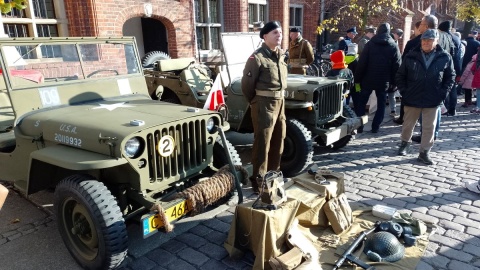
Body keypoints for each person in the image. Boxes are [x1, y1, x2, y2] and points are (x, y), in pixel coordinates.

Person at [396, 29, 455, 165]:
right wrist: (405, 91)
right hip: (412, 97)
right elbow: (400, 75)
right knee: (408, 125)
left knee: (429, 127)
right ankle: (405, 144)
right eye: (424, 40)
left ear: (436, 41)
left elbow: (450, 77)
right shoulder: (411, 55)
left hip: (433, 98)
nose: (426, 43)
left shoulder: (444, 56)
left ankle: (424, 152)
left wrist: (442, 93)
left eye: (429, 40)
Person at [241, 21, 287, 193]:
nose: (279, 35)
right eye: (275, 32)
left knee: (278, 141)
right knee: (263, 144)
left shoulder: (281, 55)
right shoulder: (257, 57)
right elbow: (247, 86)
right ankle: (258, 181)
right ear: (265, 36)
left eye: (280, 32)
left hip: (280, 103)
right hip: (263, 104)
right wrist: (255, 102)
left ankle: (273, 176)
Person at [354, 23, 401, 133]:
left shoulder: (370, 44)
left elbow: (362, 63)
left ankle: (360, 125)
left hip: (368, 79)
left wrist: (357, 79)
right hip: (384, 80)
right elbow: (397, 66)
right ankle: (375, 127)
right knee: (381, 105)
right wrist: (394, 83)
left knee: (362, 103)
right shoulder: (393, 45)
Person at [438, 20, 461, 116]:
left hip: (443, 65)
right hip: (454, 66)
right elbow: (458, 56)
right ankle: (452, 109)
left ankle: (445, 108)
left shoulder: (441, 37)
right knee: (452, 88)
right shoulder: (456, 38)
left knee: (444, 86)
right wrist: (458, 70)